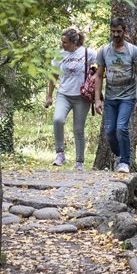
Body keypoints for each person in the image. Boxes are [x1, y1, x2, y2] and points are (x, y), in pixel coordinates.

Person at [91, 16, 137, 174]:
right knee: (109, 131)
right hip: (110, 97)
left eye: (119, 31)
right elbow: (99, 75)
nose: (116, 34)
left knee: (121, 128)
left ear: (124, 31)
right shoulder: (104, 51)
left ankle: (124, 162)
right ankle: (120, 154)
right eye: (113, 31)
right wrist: (97, 100)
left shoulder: (133, 51)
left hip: (127, 97)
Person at [46, 26, 95, 169]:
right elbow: (53, 75)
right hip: (64, 94)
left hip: (82, 96)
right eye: (62, 42)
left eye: (65, 42)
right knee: (57, 119)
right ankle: (60, 154)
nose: (63, 44)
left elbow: (102, 65)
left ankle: (79, 162)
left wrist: (95, 78)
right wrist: (49, 96)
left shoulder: (87, 53)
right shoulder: (60, 55)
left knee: (78, 129)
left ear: (74, 42)